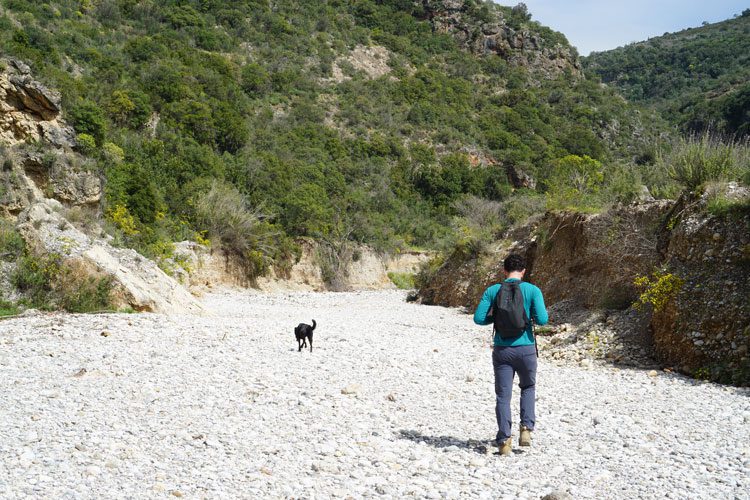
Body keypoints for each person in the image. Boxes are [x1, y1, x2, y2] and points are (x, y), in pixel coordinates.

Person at [473, 253, 548, 456]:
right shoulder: (532, 290)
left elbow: (479, 319)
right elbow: (542, 319)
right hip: (526, 349)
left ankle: (504, 441)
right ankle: (526, 429)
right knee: (528, 387)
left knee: (503, 396)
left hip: (502, 350)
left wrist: (497, 318)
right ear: (523, 271)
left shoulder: (493, 290)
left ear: (504, 271)